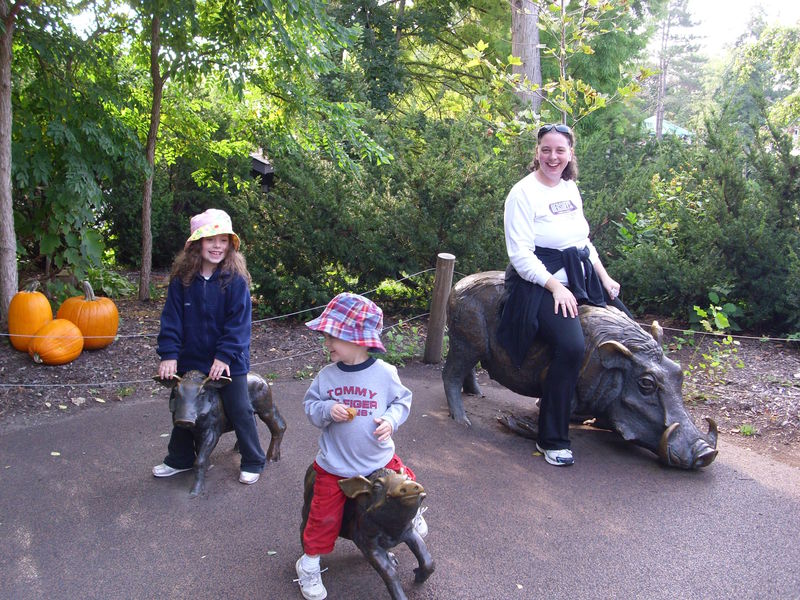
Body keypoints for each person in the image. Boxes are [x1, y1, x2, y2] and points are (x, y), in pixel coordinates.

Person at [498, 123, 632, 468]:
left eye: (560, 150)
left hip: (578, 275)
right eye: (546, 149)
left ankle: (608, 410)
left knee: (627, 327)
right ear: (537, 152)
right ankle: (552, 438)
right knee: (572, 346)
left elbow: (582, 242)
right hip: (536, 283)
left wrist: (604, 277)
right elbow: (521, 255)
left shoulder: (570, 188)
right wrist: (556, 287)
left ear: (570, 154)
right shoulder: (522, 194)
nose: (552, 157)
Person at [294, 292, 427, 600]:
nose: (327, 342)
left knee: (407, 481)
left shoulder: (385, 373)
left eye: (333, 337)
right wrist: (328, 409)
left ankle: (414, 515)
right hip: (336, 466)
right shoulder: (326, 376)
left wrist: (391, 420)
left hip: (379, 461)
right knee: (322, 517)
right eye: (326, 336)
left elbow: (402, 401)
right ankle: (309, 564)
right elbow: (310, 407)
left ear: (357, 339)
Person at [152, 208, 266, 484]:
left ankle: (253, 460)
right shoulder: (182, 280)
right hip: (191, 359)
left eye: (223, 240)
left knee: (239, 407)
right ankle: (180, 459)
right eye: (210, 240)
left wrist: (224, 356)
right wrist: (169, 355)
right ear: (197, 244)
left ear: (230, 245)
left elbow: (239, 325)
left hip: (230, 361)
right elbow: (171, 320)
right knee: (184, 405)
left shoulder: (235, 281)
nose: (217, 246)